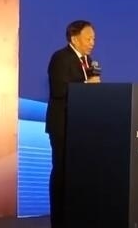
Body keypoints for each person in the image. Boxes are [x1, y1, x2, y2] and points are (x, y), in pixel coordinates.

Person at [46, 20, 100, 227]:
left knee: (79, 175)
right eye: (88, 38)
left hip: (81, 127)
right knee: (62, 172)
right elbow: (59, 89)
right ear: (74, 38)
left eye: (93, 38)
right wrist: (86, 84)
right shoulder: (60, 58)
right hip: (63, 126)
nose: (92, 42)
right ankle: (59, 221)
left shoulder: (88, 61)